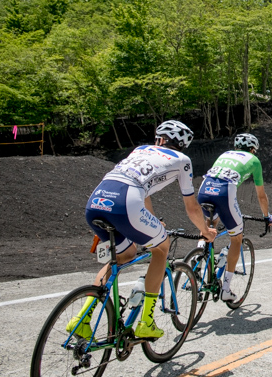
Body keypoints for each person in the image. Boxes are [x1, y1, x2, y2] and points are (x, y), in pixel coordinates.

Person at [69, 120, 217, 340]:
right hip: (126, 202)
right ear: (182, 144)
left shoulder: (140, 150)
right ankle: (146, 322)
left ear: (160, 138)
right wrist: (205, 230)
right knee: (161, 248)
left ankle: (81, 320)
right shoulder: (182, 160)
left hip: (97, 200)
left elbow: (144, 192)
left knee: (123, 256)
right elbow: (192, 206)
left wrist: (152, 219)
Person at [197, 133, 272, 302]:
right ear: (253, 149)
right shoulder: (254, 160)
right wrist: (266, 216)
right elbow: (261, 196)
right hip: (225, 192)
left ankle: (197, 262)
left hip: (204, 189)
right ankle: (225, 289)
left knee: (210, 226)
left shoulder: (224, 154)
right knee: (236, 239)